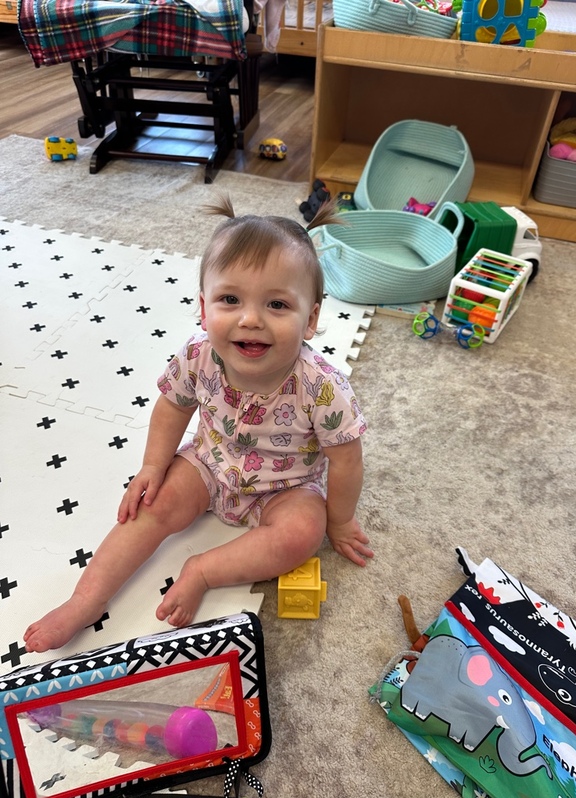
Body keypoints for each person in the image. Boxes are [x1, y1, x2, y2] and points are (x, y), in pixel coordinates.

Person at [24, 195, 372, 654]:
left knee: (303, 534)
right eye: (230, 299)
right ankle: (84, 600)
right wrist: (153, 466)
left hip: (286, 486)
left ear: (310, 320)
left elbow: (345, 460)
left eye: (277, 305)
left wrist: (341, 521)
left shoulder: (323, 387)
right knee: (149, 506)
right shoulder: (197, 354)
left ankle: (203, 570)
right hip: (209, 463)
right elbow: (173, 407)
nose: (251, 319)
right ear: (204, 308)